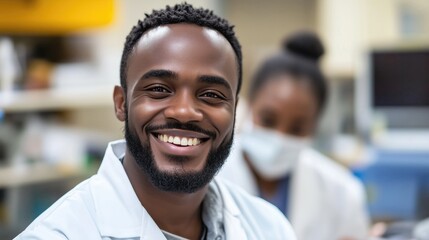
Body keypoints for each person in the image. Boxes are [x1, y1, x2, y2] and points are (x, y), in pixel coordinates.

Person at [15, 3, 296, 240]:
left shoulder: (269, 228)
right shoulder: (57, 234)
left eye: (211, 94)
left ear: (236, 111)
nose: (184, 111)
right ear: (121, 103)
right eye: (159, 89)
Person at [218, 32, 369, 240]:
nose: (279, 137)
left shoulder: (342, 193)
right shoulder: (210, 179)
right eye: (268, 120)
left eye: (297, 128)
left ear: (315, 126)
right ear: (248, 104)